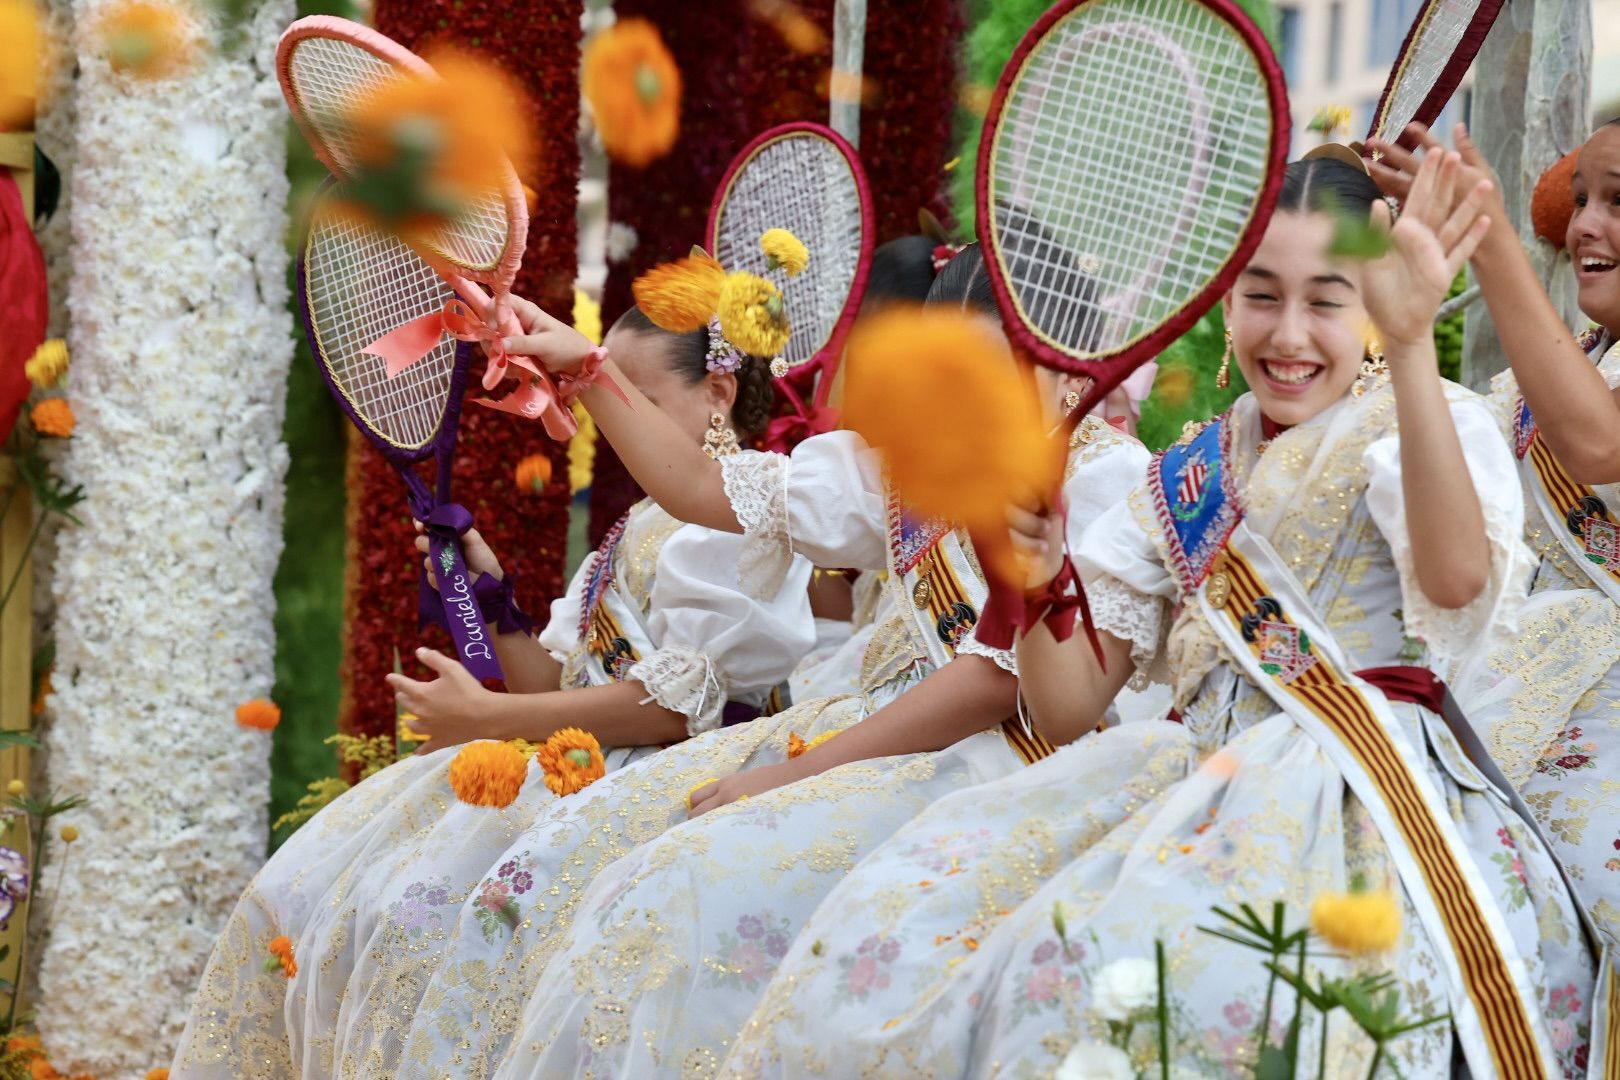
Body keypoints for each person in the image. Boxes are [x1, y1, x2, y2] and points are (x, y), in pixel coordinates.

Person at [726, 149, 1595, 1079]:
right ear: (1225, 300)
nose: (1289, 334)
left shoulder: (1430, 421)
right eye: (1262, 295)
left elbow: (1458, 576)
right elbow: (1064, 707)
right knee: (926, 947)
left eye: (1328, 299)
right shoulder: (1190, 473)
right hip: (1197, 792)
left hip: (1363, 807)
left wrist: (1416, 344)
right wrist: (1044, 577)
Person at [355, 243, 1150, 1079]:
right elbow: (700, 486)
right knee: (607, 870)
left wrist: (784, 778)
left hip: (999, 766)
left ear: (1074, 373)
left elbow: (992, 680)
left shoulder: (1104, 480)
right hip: (883, 740)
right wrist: (586, 371)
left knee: (687, 894)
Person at [168, 306, 816, 1079]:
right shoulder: (636, 524)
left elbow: (675, 711)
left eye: (631, 396)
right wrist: (491, 595)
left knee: (446, 920)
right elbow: (557, 685)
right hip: (591, 773)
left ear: (717, 391)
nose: (612, 418)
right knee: (358, 900)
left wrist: (491, 718)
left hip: (679, 785)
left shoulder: (741, 519)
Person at [1369, 121, 1620, 953]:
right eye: (1581, 199)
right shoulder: (1555, 369)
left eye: (1619, 203)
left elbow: (1598, 445)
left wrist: (1487, 234)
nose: (1585, 225)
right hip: (1500, 719)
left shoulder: (1570, 392)